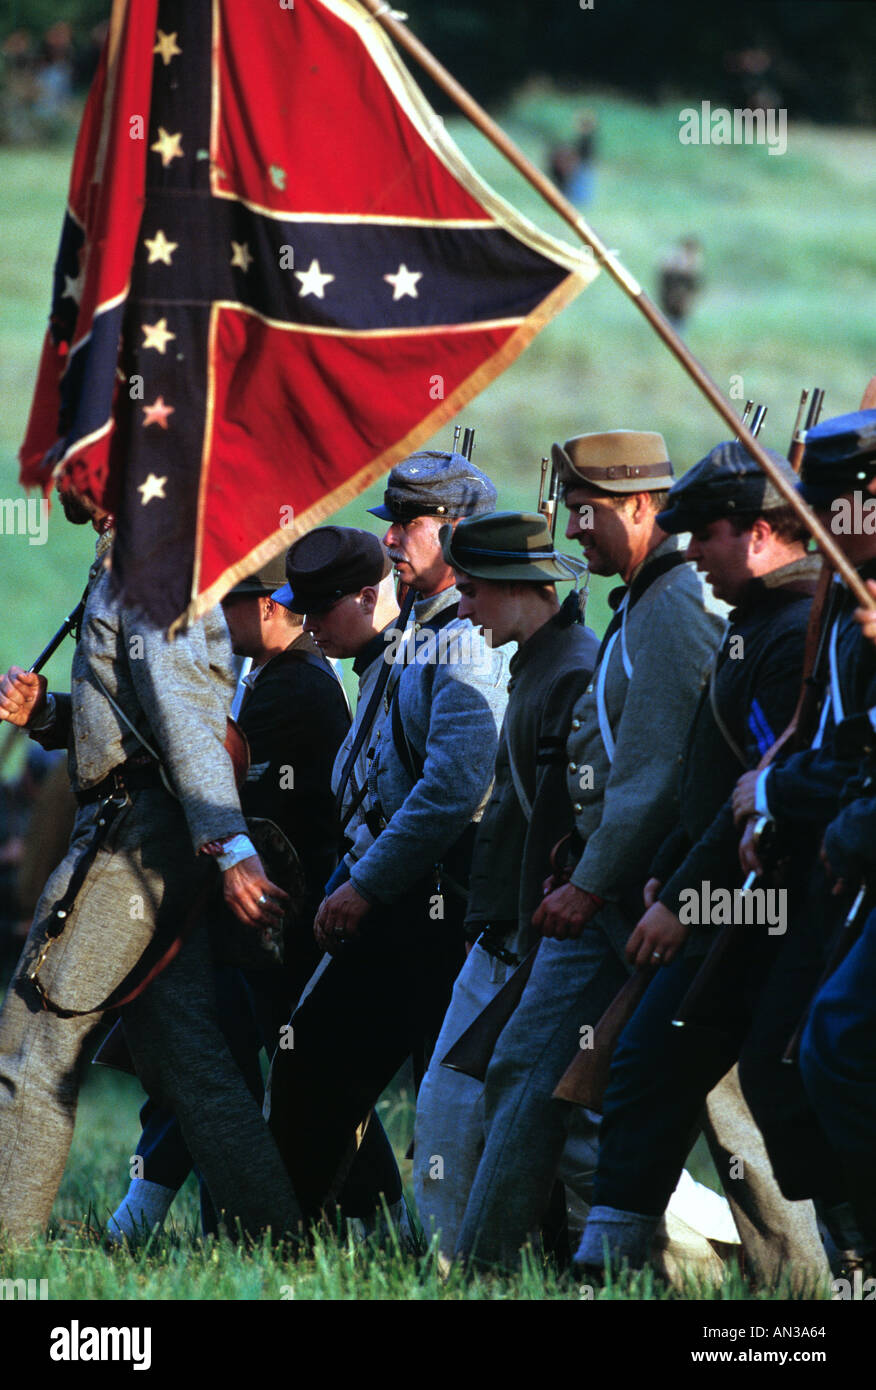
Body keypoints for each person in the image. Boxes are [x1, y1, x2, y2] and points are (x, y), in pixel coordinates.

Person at [454, 428, 732, 1269]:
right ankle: (484, 1270)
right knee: (524, 1069)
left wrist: (590, 880)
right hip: (610, 889)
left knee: (730, 1116)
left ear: (643, 506)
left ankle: (802, 1285)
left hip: (653, 890)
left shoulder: (677, 603)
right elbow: (615, 757)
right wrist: (578, 845)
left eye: (587, 513)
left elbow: (654, 773)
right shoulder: (643, 601)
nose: (574, 532)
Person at [0, 488, 302, 1245]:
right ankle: (281, 1243)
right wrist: (46, 715)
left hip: (133, 842)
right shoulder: (153, 559)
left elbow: (186, 725)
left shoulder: (152, 565)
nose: (55, 478)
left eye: (74, 459)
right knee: (190, 1063)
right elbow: (140, 725)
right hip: (155, 832)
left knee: (32, 1043)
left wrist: (230, 846)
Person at [573, 441, 829, 1283]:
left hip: (773, 904)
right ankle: (616, 1260)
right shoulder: (756, 627)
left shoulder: (792, 633)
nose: (692, 555)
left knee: (748, 1080)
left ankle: (816, 1276)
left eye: (705, 536)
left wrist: (682, 900)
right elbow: (712, 780)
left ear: (759, 534)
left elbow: (760, 797)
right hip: (734, 895)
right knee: (660, 1064)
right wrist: (674, 865)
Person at [265, 450, 511, 1227]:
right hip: (395, 897)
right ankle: (297, 1239)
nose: (394, 539)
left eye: (411, 523)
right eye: (393, 521)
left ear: (459, 529)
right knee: (313, 1064)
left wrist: (365, 882)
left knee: (454, 1100)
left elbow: (453, 790)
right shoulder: (414, 630)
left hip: (440, 903)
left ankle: (467, 1250)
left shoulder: (464, 639)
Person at [107, 552, 351, 1241]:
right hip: (250, 912)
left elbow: (210, 772)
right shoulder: (262, 673)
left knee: (301, 1083)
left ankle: (364, 1224)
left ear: (270, 607)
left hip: (279, 918)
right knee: (221, 1065)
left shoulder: (294, 686)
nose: (214, 616)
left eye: (228, 604)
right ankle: (171, 1221)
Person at [412, 509, 598, 1261]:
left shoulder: (570, 671)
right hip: (504, 928)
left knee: (578, 1132)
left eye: (476, 591)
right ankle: (450, 1264)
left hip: (536, 935)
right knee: (455, 1106)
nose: (463, 608)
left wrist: (520, 934)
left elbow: (558, 825)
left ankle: (625, 1262)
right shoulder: (536, 667)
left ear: (522, 588)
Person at [726, 408, 876, 1267]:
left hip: (848, 860)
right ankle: (850, 1260)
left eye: (833, 509)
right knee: (791, 1067)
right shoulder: (846, 606)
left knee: (834, 1052)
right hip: (838, 862)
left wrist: (777, 792)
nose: (816, 532)